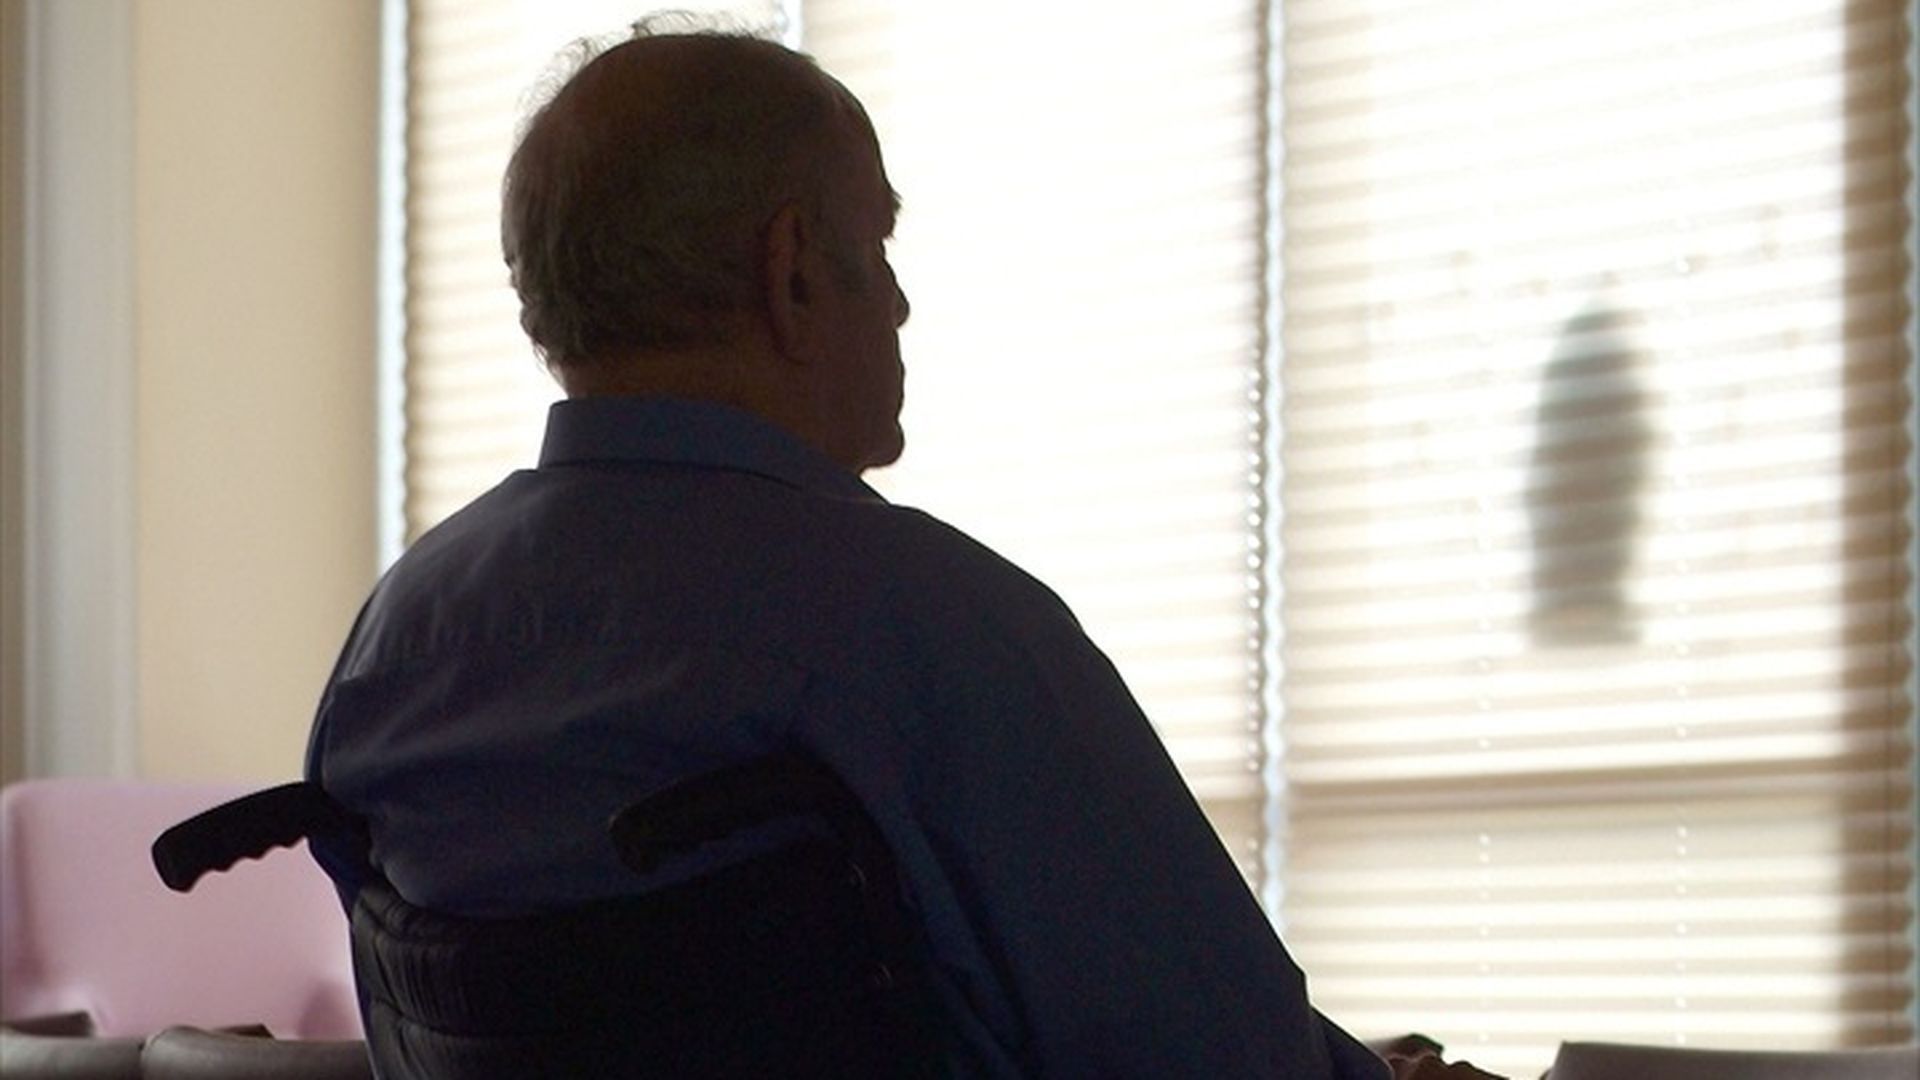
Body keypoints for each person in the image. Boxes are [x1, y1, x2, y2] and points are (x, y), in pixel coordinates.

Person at [306, 22, 1496, 1080]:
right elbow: (1219, 1054)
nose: (901, 304)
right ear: (796, 272)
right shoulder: (931, 630)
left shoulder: (393, 651)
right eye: (877, 245)